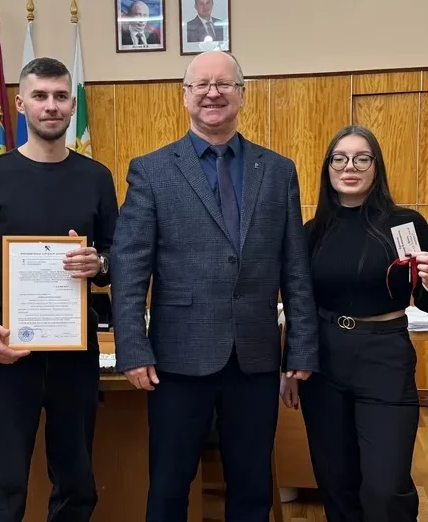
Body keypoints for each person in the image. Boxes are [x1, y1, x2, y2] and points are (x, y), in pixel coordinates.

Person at [110, 50, 319, 522]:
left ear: (242, 95)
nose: (212, 93)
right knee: (169, 485)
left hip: (255, 358)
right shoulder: (152, 170)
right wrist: (133, 348)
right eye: (201, 85)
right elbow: (129, 265)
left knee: (252, 485)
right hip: (177, 359)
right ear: (184, 96)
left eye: (224, 84)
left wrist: (302, 349)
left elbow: (295, 267)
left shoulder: (278, 170)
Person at [0, 56, 119, 521]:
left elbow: (117, 258)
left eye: (61, 96)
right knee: (1, 486)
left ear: (73, 106)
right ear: (21, 104)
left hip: (74, 352)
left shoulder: (96, 177)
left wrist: (99, 263)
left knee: (76, 482)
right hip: (7, 350)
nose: (52, 106)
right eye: (40, 96)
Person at [286, 124, 428, 522]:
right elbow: (299, 303)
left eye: (362, 158)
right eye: (339, 159)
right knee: (335, 481)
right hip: (324, 359)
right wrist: (291, 364)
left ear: (376, 167)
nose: (350, 167)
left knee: (385, 485)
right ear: (328, 168)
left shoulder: (405, 224)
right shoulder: (312, 232)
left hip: (384, 356)